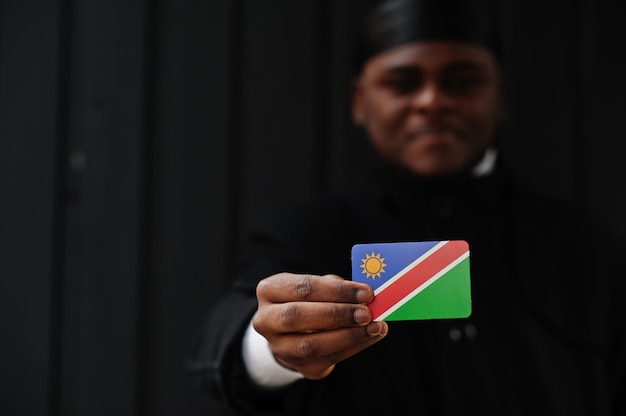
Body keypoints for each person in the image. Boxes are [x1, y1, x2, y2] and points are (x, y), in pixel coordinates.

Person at [188, 0, 626, 414]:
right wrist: (274, 344)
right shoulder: (304, 235)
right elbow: (225, 334)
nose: (432, 101)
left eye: (463, 81)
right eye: (402, 82)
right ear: (360, 102)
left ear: (502, 97)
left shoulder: (584, 248)